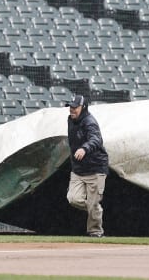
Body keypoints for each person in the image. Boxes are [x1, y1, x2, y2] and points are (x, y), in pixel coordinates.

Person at [65, 94, 109, 237]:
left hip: (95, 168)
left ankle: (95, 232)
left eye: (75, 107)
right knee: (73, 199)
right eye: (70, 107)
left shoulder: (90, 122)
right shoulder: (70, 120)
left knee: (93, 204)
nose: (71, 110)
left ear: (83, 107)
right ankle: (95, 209)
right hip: (78, 169)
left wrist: (84, 148)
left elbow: (96, 139)